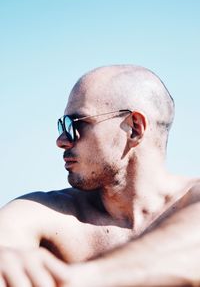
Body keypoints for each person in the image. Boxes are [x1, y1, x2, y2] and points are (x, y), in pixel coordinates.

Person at [0, 65, 199, 286]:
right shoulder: (48, 212)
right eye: (62, 126)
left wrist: (77, 280)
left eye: (75, 124)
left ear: (134, 128)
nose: (62, 140)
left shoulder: (192, 200)